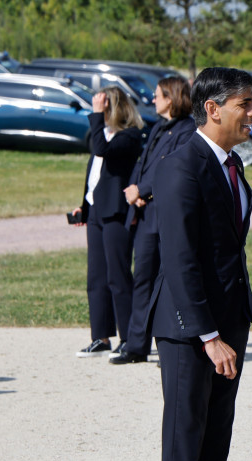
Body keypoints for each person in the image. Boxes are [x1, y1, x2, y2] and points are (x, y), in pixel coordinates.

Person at [148, 67, 252, 461]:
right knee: (184, 453)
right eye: (245, 104)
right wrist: (209, 336)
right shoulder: (180, 165)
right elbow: (180, 259)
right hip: (190, 332)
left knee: (214, 451)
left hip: (229, 324)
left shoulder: (231, 164)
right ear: (213, 109)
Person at [112, 76, 196, 365]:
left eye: (158, 95)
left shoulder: (187, 130)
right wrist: (135, 190)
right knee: (143, 279)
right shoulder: (159, 127)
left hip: (168, 215)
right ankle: (136, 345)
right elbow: (144, 163)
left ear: (170, 99)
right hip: (147, 214)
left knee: (172, 281)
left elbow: (171, 169)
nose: (152, 100)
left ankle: (174, 344)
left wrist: (143, 190)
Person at [72, 86, 144, 357]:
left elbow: (102, 151)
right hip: (96, 212)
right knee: (96, 278)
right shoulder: (103, 135)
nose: (99, 110)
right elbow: (94, 176)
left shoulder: (129, 136)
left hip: (116, 213)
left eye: (103, 106)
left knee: (118, 277)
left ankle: (129, 338)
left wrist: (95, 115)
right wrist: (83, 207)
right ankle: (101, 338)